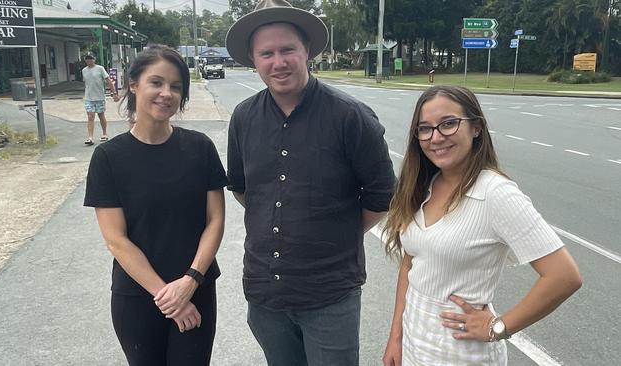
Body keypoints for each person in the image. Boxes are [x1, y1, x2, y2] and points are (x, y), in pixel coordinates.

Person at [225, 1, 396, 365]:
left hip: (329, 294)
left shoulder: (351, 117)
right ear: (254, 60)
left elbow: (381, 196)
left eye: (288, 49)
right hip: (264, 292)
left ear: (307, 52)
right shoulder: (243, 117)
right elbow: (243, 189)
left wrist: (334, 229)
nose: (278, 62)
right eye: (266, 53)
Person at [381, 85, 582, 365]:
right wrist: (396, 337)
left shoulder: (496, 193)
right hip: (416, 346)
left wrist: (498, 327)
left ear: (476, 128)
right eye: (424, 129)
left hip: (462, 355)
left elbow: (564, 276)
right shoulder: (424, 183)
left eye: (449, 124)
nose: (435, 137)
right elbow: (410, 263)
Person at [83, 44, 227, 365]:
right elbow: (115, 239)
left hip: (197, 288)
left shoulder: (200, 148)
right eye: (156, 82)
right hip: (137, 296)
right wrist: (169, 296)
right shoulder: (109, 158)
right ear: (133, 85)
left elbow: (215, 220)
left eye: (176, 86)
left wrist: (190, 281)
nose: (167, 93)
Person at [82, 52, 119, 146]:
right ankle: (90, 137)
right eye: (87, 59)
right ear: (85, 60)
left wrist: (114, 93)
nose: (89, 60)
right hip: (88, 97)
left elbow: (108, 81)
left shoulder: (100, 69)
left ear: (94, 59)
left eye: (91, 58)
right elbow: (86, 83)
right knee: (90, 116)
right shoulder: (84, 70)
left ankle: (104, 133)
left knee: (101, 115)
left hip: (99, 96)